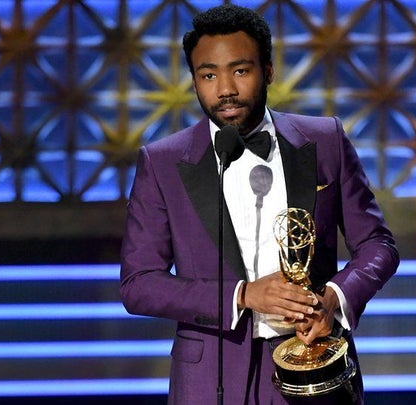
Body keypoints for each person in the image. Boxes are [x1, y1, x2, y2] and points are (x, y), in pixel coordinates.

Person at [120, 4, 399, 404]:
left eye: (240, 70)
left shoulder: (324, 141)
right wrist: (242, 295)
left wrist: (333, 300)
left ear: (267, 71)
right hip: (210, 380)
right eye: (209, 75)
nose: (226, 89)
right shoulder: (163, 162)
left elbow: (378, 246)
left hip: (314, 369)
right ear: (194, 80)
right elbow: (138, 284)